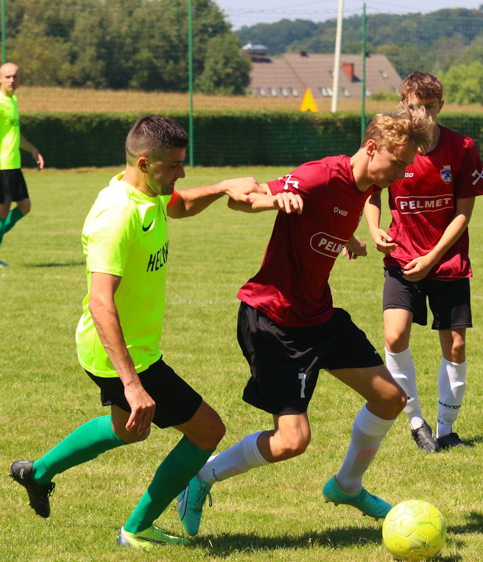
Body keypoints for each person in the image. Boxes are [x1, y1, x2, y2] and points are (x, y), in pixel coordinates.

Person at [8, 114, 301, 548]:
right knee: (207, 431)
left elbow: (179, 204)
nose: (181, 173)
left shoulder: (148, 194)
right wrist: (132, 384)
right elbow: (101, 302)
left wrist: (222, 189)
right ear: (144, 163)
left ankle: (39, 472)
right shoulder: (117, 216)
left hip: (127, 347)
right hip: (122, 353)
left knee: (128, 429)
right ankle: (137, 529)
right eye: (174, 166)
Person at [175, 109, 433, 538]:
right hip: (273, 319)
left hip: (318, 316)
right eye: (400, 163)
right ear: (373, 148)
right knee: (292, 441)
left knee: (391, 399)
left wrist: (347, 238)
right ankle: (199, 479)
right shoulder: (318, 176)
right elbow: (247, 198)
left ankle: (347, 486)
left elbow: (328, 216)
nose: (403, 173)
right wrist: (275, 199)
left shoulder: (365, 186)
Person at [363, 71, 483, 453]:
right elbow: (371, 193)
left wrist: (433, 258)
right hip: (401, 259)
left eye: (428, 108)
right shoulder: (392, 146)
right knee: (394, 336)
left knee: (454, 347)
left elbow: (463, 212)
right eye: (413, 107)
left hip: (447, 262)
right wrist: (374, 229)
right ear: (404, 104)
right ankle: (417, 422)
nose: (420, 115)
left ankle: (447, 429)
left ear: (440, 106)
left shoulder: (461, 147)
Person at [0, 62, 45, 268]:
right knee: (2, 210)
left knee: (24, 207)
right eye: (7, 77)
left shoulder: (12, 101)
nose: (12, 80)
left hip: (13, 164)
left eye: (15, 76)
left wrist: (33, 150)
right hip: (2, 165)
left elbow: (15, 135)